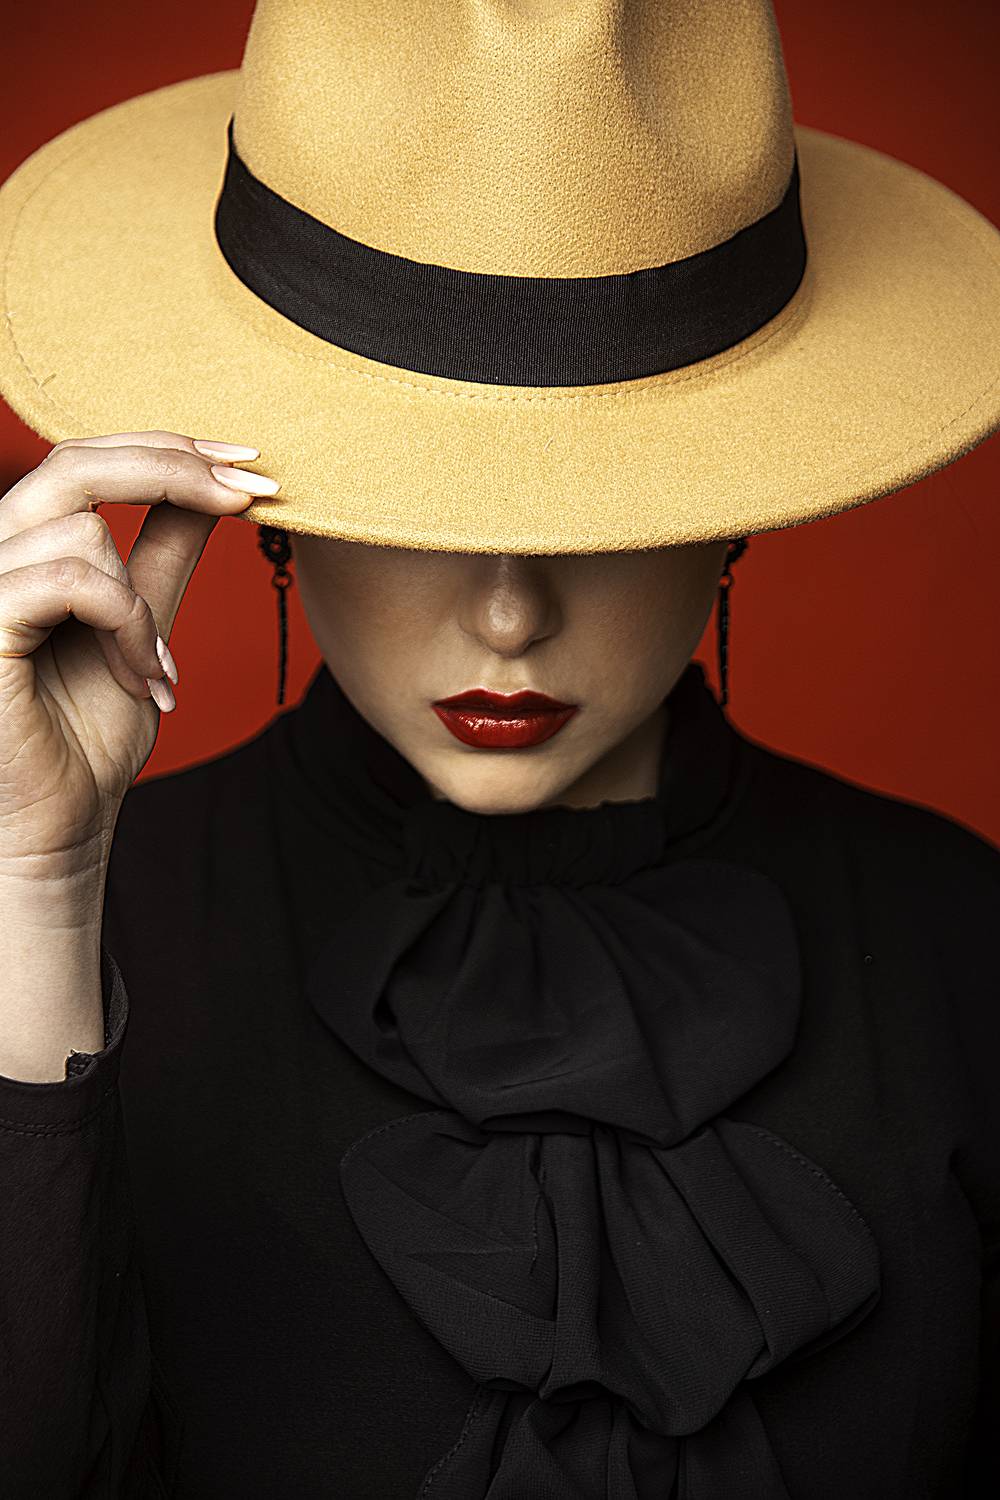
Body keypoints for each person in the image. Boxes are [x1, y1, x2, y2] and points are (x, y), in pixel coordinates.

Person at [0, 2, 998, 1497]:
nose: (512, 613)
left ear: (736, 509)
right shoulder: (58, 941)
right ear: (271, 507)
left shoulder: (962, 949)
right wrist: (37, 893)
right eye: (420, 496)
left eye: (605, 502)